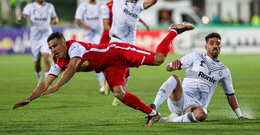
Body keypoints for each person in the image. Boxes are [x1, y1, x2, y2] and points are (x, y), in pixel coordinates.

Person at [13, 22, 195, 126]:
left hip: (117, 51)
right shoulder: (58, 60)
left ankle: (173, 31)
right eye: (50, 48)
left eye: (55, 46)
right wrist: (30, 98)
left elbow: (73, 68)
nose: (53, 50)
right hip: (108, 65)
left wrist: (58, 87)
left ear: (64, 43)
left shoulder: (75, 47)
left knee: (159, 59)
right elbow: (45, 82)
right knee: (119, 93)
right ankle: (152, 113)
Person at [149, 32, 248, 123]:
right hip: (181, 97)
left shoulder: (224, 71)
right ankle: (153, 110)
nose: (215, 46)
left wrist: (239, 115)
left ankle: (171, 120)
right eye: (212, 43)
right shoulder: (195, 56)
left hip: (196, 106)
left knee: (203, 113)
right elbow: (168, 68)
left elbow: (230, 95)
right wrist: (172, 65)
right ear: (206, 47)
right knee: (174, 78)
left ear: (220, 46)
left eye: (218, 43)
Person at [101, 0, 150, 105]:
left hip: (126, 40)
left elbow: (133, 15)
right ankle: (108, 82)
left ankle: (119, 94)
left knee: (127, 67)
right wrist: (117, 32)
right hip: (112, 39)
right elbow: (105, 25)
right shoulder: (107, 7)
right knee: (110, 65)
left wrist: (142, 22)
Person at [17, 0, 58, 83]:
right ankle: (40, 79)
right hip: (35, 37)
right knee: (37, 62)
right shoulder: (30, 7)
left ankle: (47, 83)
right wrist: (20, 18)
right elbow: (22, 17)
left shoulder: (50, 6)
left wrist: (55, 20)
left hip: (47, 35)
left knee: (47, 57)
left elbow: (55, 17)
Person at [75, 0, 108, 94]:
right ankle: (103, 83)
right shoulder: (83, 6)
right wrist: (86, 28)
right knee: (92, 62)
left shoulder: (102, 6)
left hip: (100, 36)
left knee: (97, 60)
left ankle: (104, 84)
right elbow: (78, 20)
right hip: (89, 36)